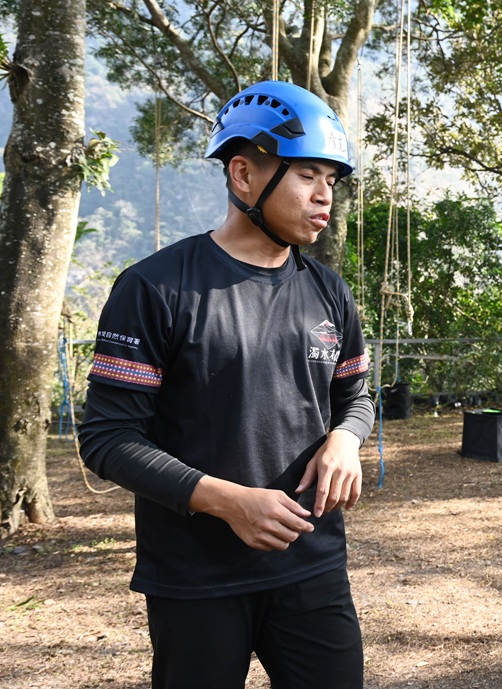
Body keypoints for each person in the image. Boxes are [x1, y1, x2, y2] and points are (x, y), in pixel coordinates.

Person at [78, 80, 375, 689]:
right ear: (243, 175)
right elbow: (108, 439)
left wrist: (346, 437)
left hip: (312, 566)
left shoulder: (328, 291)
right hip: (196, 580)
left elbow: (355, 397)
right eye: (307, 176)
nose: (325, 198)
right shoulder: (156, 287)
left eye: (333, 182)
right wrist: (230, 502)